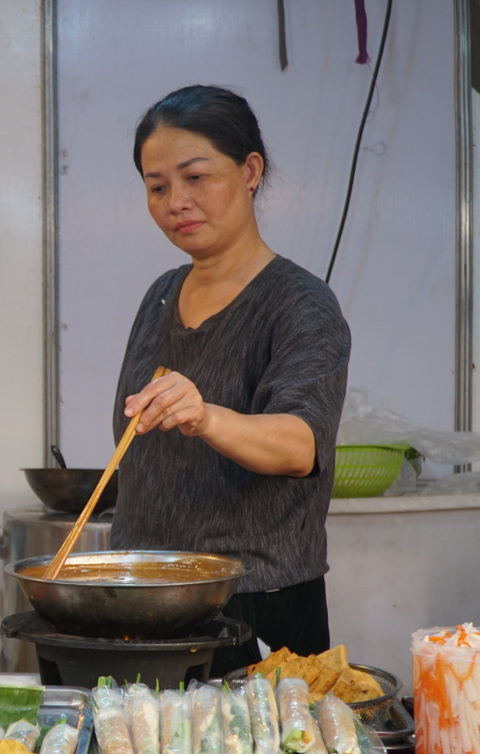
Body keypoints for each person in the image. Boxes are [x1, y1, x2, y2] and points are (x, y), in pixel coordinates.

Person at [112, 85, 351, 676]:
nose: (176, 202)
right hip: (152, 598)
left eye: (196, 177)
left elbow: (301, 445)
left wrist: (206, 415)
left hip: (254, 606)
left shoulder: (300, 303)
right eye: (157, 186)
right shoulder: (161, 294)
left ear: (250, 171)